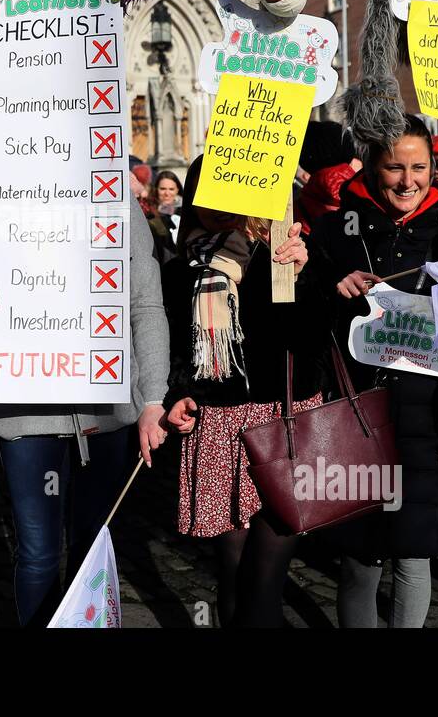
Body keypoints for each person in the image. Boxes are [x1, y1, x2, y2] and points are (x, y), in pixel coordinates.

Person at [0, 181, 169, 629]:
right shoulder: (1, 197)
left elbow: (145, 302)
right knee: (38, 553)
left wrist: (153, 397)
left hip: (105, 409)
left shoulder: (118, 199)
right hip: (25, 407)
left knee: (93, 544)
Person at [311, 114, 438, 628]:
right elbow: (304, 312)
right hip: (358, 413)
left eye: (419, 167)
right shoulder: (336, 226)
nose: (408, 180)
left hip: (428, 416)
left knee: (414, 556)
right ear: (373, 167)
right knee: (359, 557)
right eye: (394, 167)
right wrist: (331, 281)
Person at [160, 157, 317, 627]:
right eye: (207, 191)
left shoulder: (281, 254)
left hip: (281, 422)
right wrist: (176, 395)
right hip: (219, 432)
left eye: (230, 190)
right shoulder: (180, 269)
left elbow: (310, 341)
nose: (218, 203)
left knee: (263, 578)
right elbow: (175, 352)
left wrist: (301, 273)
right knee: (231, 574)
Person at [148, 170, 182, 264]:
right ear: (156, 189)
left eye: (171, 189)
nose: (167, 193)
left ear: (177, 190)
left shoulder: (186, 212)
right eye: (162, 189)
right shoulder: (149, 214)